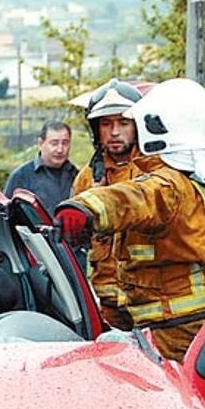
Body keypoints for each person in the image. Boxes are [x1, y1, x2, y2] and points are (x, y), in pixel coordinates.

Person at [55, 78, 205, 362]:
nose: (115, 132)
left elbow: (132, 198)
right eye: (105, 123)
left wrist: (86, 208)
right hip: (180, 323)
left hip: (174, 325)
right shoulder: (199, 177)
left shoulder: (168, 183)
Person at [71, 79, 144, 331]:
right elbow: (77, 242)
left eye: (123, 123)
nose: (114, 132)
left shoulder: (155, 175)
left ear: (137, 126)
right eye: (106, 123)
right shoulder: (87, 178)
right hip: (108, 304)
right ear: (95, 129)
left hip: (150, 302)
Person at [5, 120, 78, 215]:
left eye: (65, 143)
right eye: (54, 143)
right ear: (40, 144)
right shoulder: (21, 176)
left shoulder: (76, 175)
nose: (60, 149)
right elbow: (6, 215)